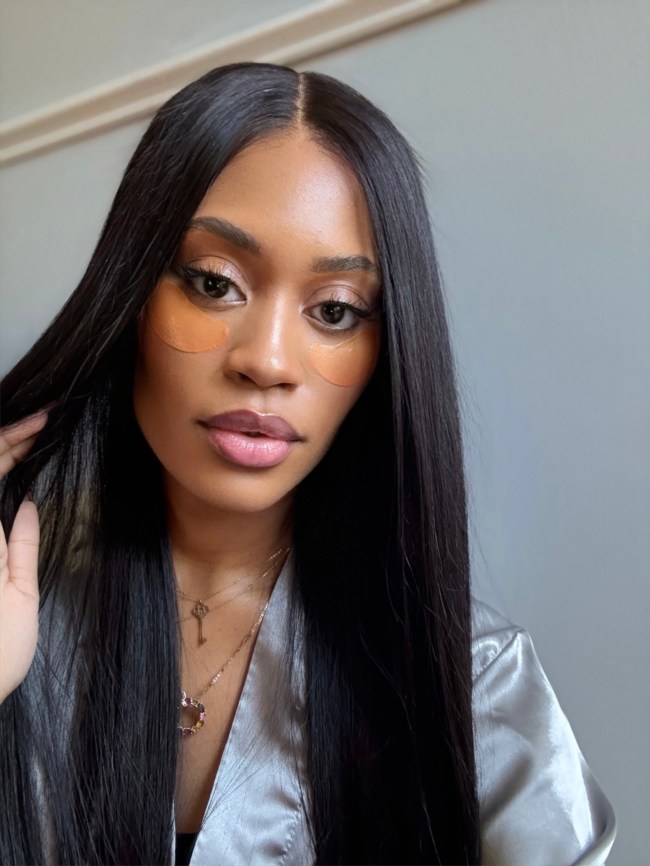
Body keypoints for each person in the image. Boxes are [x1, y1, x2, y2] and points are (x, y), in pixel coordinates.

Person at [0, 63, 615, 865]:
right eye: (214, 283)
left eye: (334, 311)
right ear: (131, 295)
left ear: (384, 350)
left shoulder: (475, 687)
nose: (267, 361)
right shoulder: (26, 616)